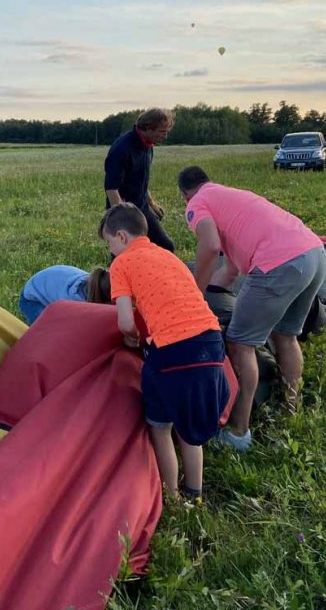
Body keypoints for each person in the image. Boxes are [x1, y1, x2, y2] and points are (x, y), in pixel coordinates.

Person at [177, 165, 326, 452]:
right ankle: (290, 407)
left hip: (279, 263)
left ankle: (238, 433)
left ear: (186, 195)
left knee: (240, 344)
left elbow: (209, 248)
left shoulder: (198, 203)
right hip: (315, 253)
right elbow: (229, 273)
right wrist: (210, 291)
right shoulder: (230, 197)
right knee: (286, 335)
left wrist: (193, 294)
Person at [99, 203, 229, 500]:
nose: (111, 251)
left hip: (172, 352)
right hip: (210, 341)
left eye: (109, 243)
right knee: (189, 428)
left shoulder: (121, 265)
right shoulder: (168, 256)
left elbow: (125, 321)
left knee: (161, 425)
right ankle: (194, 492)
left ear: (121, 236)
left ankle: (171, 496)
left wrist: (133, 339)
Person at [104, 108, 175, 253]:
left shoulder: (148, 145)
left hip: (141, 207)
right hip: (123, 209)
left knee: (165, 246)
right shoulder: (121, 148)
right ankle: (114, 275)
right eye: (162, 131)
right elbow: (111, 188)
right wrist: (122, 218)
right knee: (123, 253)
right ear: (148, 128)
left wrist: (151, 203)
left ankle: (154, 274)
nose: (165, 136)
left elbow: (140, 178)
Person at [18, 266, 111, 324]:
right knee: (48, 332)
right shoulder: (74, 302)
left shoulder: (97, 281)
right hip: (31, 299)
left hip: (47, 280)